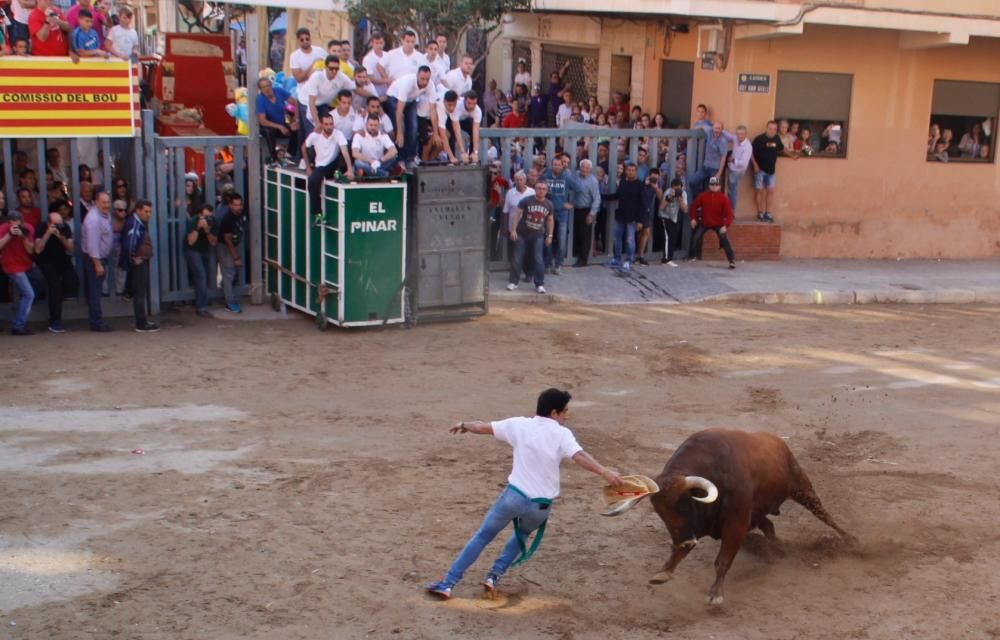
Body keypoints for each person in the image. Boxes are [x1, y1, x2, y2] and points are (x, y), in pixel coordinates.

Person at [425, 388, 623, 599]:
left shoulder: (519, 425)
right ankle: (494, 577)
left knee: (483, 536)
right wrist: (605, 472)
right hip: (540, 506)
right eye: (564, 411)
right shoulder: (562, 434)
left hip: (513, 497)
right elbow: (579, 456)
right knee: (520, 536)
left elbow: (482, 426)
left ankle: (448, 584)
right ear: (554, 413)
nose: (566, 415)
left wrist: (464, 425)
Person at [34, 203, 78, 333]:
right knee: (55, 287)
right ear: (49, 223)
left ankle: (64, 295)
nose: (58, 226)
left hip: (61, 259)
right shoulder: (42, 227)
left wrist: (60, 236)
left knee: (73, 280)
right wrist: (48, 233)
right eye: (55, 224)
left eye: (60, 223)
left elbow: (70, 248)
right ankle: (55, 321)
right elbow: (37, 249)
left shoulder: (65, 227)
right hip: (45, 260)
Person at [505, 180, 553, 294]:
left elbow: (550, 220)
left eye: (543, 189)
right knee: (517, 257)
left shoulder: (549, 204)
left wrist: (550, 235)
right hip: (522, 233)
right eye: (539, 188)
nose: (541, 191)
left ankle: (539, 284)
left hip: (538, 234)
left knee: (538, 259)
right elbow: (517, 214)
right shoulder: (526, 200)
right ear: (535, 189)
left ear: (546, 191)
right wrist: (513, 230)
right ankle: (513, 282)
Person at [385, 66, 437, 169]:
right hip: (394, 98)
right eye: (422, 79)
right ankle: (399, 159)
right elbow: (399, 110)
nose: (424, 82)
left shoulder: (430, 85)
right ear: (417, 75)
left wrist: (435, 132)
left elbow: (433, 110)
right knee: (401, 129)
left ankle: (410, 158)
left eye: (427, 79)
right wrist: (399, 133)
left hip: (411, 100)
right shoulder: (407, 83)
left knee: (413, 127)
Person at [119, 200, 159, 332]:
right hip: (139, 262)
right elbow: (129, 244)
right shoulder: (135, 224)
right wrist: (132, 258)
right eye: (146, 211)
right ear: (138, 210)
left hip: (140, 260)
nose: (149, 214)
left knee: (139, 291)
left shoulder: (138, 222)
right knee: (140, 293)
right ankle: (141, 323)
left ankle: (128, 293)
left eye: (150, 212)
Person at [304, 112, 353, 217]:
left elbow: (344, 151)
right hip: (321, 165)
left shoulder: (338, 133)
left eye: (331, 124)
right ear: (321, 124)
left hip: (335, 163)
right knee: (312, 181)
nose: (329, 126)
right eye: (326, 124)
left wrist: (350, 169)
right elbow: (304, 147)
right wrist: (308, 167)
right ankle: (318, 213)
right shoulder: (314, 135)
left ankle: (338, 172)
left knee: (347, 148)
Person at [539, 156, 580, 274]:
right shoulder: (546, 176)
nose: (556, 166)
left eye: (559, 164)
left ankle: (557, 265)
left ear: (563, 166)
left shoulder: (567, 177)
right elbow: (539, 187)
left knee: (561, 240)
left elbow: (579, 190)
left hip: (562, 214)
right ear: (551, 165)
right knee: (548, 238)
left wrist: (571, 204)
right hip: (548, 213)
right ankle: (547, 264)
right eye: (554, 164)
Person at [80, 191, 114, 331]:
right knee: (95, 292)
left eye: (108, 202)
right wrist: (97, 264)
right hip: (95, 259)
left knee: (96, 291)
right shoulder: (93, 219)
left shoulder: (104, 214)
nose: (107, 205)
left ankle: (97, 321)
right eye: (104, 202)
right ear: (96, 202)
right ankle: (96, 323)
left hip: (100, 258)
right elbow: (92, 245)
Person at [751, 120, 797, 223]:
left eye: (774, 129)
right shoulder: (759, 139)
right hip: (760, 170)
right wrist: (755, 165)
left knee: (770, 191)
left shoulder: (777, 138)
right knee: (759, 191)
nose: (772, 131)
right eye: (770, 129)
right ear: (766, 128)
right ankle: (760, 212)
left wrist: (792, 156)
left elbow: (782, 148)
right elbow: (751, 152)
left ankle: (768, 213)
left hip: (771, 171)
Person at [0, 211, 36, 335]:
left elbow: (31, 250)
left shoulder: (28, 228)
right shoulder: (3, 228)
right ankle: (18, 325)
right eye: (12, 223)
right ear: (8, 222)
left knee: (30, 290)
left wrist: (23, 236)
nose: (15, 226)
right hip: (11, 265)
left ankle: (18, 323)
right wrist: (9, 234)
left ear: (22, 221)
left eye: (18, 223)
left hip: (25, 265)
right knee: (29, 294)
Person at [689, 176, 735, 268]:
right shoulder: (703, 196)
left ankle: (731, 260)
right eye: (712, 184)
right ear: (709, 186)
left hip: (718, 224)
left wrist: (725, 226)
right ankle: (692, 256)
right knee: (695, 237)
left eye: (716, 185)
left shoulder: (723, 199)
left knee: (724, 240)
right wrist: (693, 218)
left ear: (719, 187)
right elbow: (693, 207)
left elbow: (730, 215)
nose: (714, 186)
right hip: (705, 222)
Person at [608, 162, 643, 273]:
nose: (630, 172)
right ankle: (617, 259)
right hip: (620, 216)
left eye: (633, 170)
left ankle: (629, 260)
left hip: (632, 219)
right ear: (626, 171)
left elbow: (643, 204)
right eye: (629, 170)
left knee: (630, 240)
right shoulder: (623, 182)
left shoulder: (639, 184)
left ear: (636, 172)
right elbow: (617, 196)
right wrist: (602, 196)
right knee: (616, 238)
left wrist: (640, 220)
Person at [184, 204, 218, 318]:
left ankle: (201, 300)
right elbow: (190, 242)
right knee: (201, 275)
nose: (207, 219)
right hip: (193, 250)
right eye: (204, 216)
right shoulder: (194, 221)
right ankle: (201, 307)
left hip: (205, 249)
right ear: (200, 215)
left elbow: (213, 243)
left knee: (205, 276)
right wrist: (198, 228)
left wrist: (208, 231)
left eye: (209, 216)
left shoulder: (214, 221)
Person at [689, 121, 736, 201]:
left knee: (713, 190)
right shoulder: (709, 131)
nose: (717, 130)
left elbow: (723, 158)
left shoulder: (723, 141)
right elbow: (702, 126)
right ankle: (700, 198)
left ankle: (710, 208)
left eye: (719, 128)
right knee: (692, 181)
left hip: (715, 169)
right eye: (715, 128)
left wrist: (719, 173)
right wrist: (693, 131)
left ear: (722, 129)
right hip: (705, 167)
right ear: (712, 128)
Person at [216, 193, 247, 314]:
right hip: (224, 246)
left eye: (239, 204)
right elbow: (228, 241)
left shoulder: (242, 212)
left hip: (234, 244)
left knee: (230, 274)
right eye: (235, 205)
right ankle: (230, 303)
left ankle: (227, 294)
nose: (238, 207)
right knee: (228, 274)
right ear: (230, 206)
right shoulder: (227, 220)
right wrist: (236, 257)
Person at [255, 77, 293, 165]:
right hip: (269, 126)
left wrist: (295, 120)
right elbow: (263, 121)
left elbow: (295, 103)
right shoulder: (260, 99)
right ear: (260, 89)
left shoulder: (279, 91)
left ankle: (290, 154)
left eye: (267, 86)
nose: (266, 89)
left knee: (296, 129)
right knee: (269, 131)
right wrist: (280, 127)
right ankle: (274, 158)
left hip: (281, 123)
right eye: (263, 87)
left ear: (271, 85)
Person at [571, 159, 600, 267]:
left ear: (590, 169)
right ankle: (576, 255)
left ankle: (583, 259)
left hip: (586, 210)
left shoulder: (593, 181)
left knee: (585, 236)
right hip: (576, 209)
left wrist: (591, 214)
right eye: (583, 167)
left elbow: (597, 198)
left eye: (587, 168)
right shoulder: (576, 175)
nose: (585, 169)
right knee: (576, 233)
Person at [636, 167, 662, 266]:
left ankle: (640, 255)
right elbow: (641, 197)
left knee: (646, 232)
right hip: (639, 210)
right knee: (639, 232)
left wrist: (655, 187)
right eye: (653, 176)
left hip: (646, 211)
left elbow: (660, 197)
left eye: (656, 177)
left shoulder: (657, 183)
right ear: (649, 175)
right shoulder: (643, 182)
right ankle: (638, 254)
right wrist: (645, 184)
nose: (654, 178)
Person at [658, 177, 687, 266]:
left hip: (673, 218)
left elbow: (685, 210)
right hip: (664, 216)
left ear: (681, 187)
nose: (676, 190)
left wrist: (681, 201)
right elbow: (661, 207)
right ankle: (666, 259)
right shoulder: (668, 192)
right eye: (674, 188)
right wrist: (669, 197)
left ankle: (669, 257)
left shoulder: (683, 194)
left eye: (678, 188)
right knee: (667, 238)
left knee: (672, 238)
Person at [726, 125, 752, 213]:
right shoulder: (736, 139)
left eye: (742, 134)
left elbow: (743, 163)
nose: (739, 136)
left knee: (732, 191)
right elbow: (728, 135)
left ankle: (731, 212)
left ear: (745, 134)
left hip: (737, 171)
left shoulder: (747, 147)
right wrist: (719, 129)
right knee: (731, 190)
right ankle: (729, 210)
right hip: (733, 168)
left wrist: (732, 160)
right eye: (738, 134)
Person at [361, 31, 390, 98]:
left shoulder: (388, 55)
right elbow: (371, 79)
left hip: (388, 93)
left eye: (381, 43)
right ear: (372, 43)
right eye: (376, 43)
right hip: (375, 93)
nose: (379, 45)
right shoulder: (368, 59)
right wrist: (386, 81)